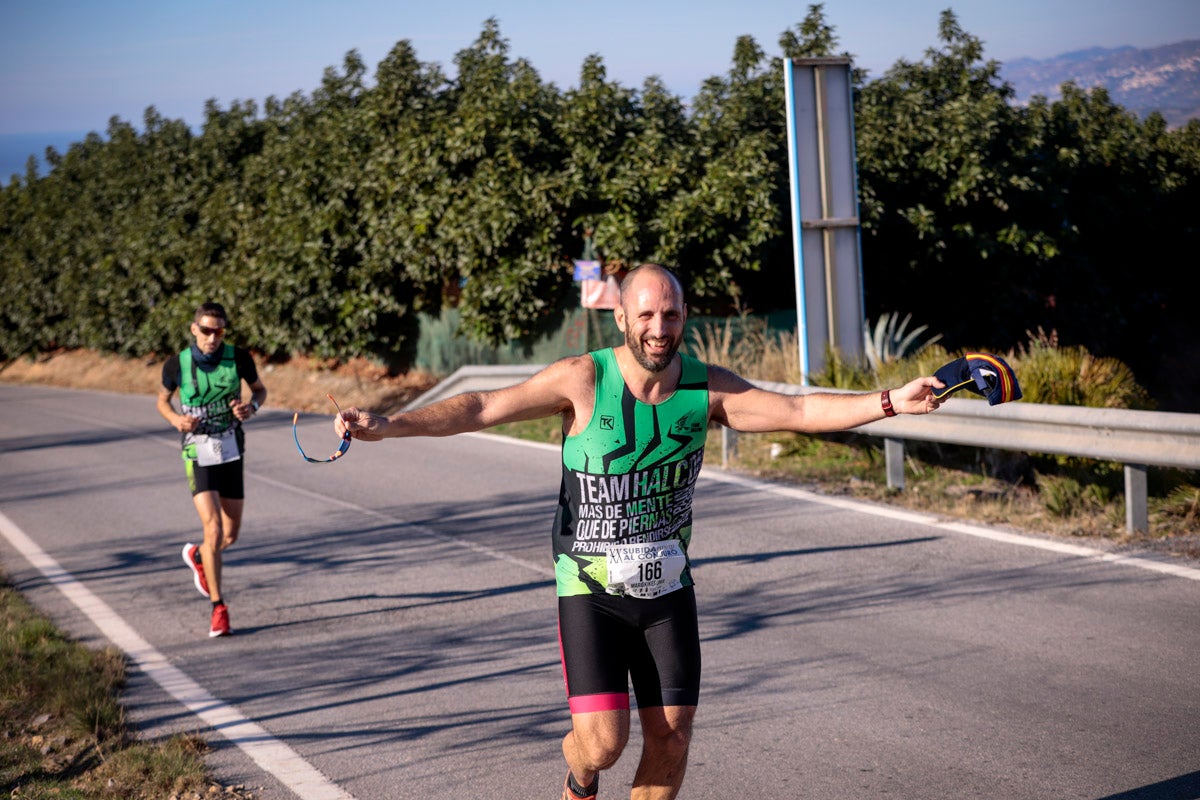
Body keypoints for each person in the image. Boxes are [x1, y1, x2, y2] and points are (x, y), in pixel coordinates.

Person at [334, 264, 945, 800]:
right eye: (646, 314)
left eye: (671, 315)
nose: (659, 328)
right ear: (621, 316)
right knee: (603, 745)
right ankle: (580, 777)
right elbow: (482, 407)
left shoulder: (705, 388)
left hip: (667, 589)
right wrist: (390, 423)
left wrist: (892, 400)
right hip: (590, 590)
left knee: (672, 736)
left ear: (685, 317)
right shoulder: (583, 379)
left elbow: (800, 410)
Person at [157, 301, 267, 638]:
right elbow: (162, 400)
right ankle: (219, 608)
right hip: (197, 450)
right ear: (194, 329)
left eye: (218, 331)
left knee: (230, 535)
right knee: (214, 528)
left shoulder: (239, 358)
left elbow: (259, 390)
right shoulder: (177, 364)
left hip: (231, 448)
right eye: (206, 330)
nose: (212, 337)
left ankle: (199, 555)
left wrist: (252, 407)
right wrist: (176, 419)